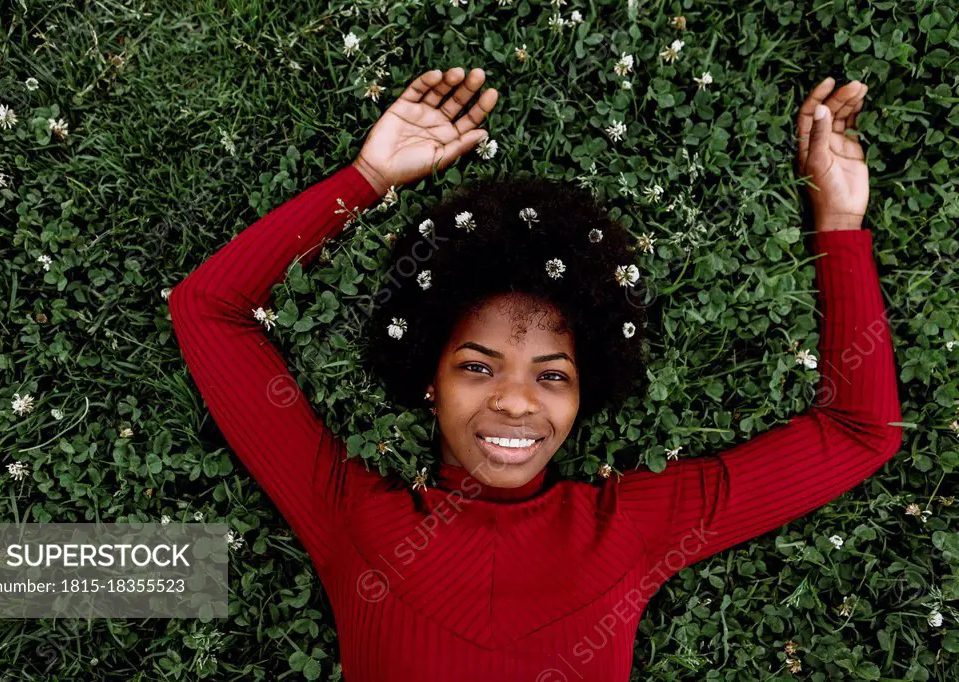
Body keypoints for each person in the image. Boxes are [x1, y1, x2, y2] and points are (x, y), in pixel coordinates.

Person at [169, 68, 901, 680]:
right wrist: (368, 177)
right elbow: (208, 309)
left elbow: (860, 433)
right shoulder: (350, 515)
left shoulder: (638, 526)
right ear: (428, 379)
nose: (515, 401)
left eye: (552, 376)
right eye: (477, 366)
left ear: (587, 391)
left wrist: (840, 222)